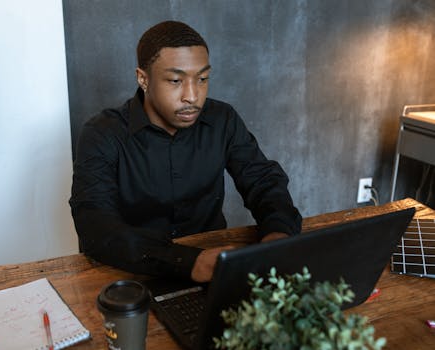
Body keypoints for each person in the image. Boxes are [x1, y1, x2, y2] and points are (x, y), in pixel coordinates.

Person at [69, 20, 302, 283]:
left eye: (202, 79)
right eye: (176, 80)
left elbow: (262, 180)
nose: (193, 96)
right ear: (143, 78)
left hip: (215, 268)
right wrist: (185, 261)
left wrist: (278, 235)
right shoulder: (102, 133)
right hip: (131, 273)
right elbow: (94, 224)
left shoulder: (222, 119)